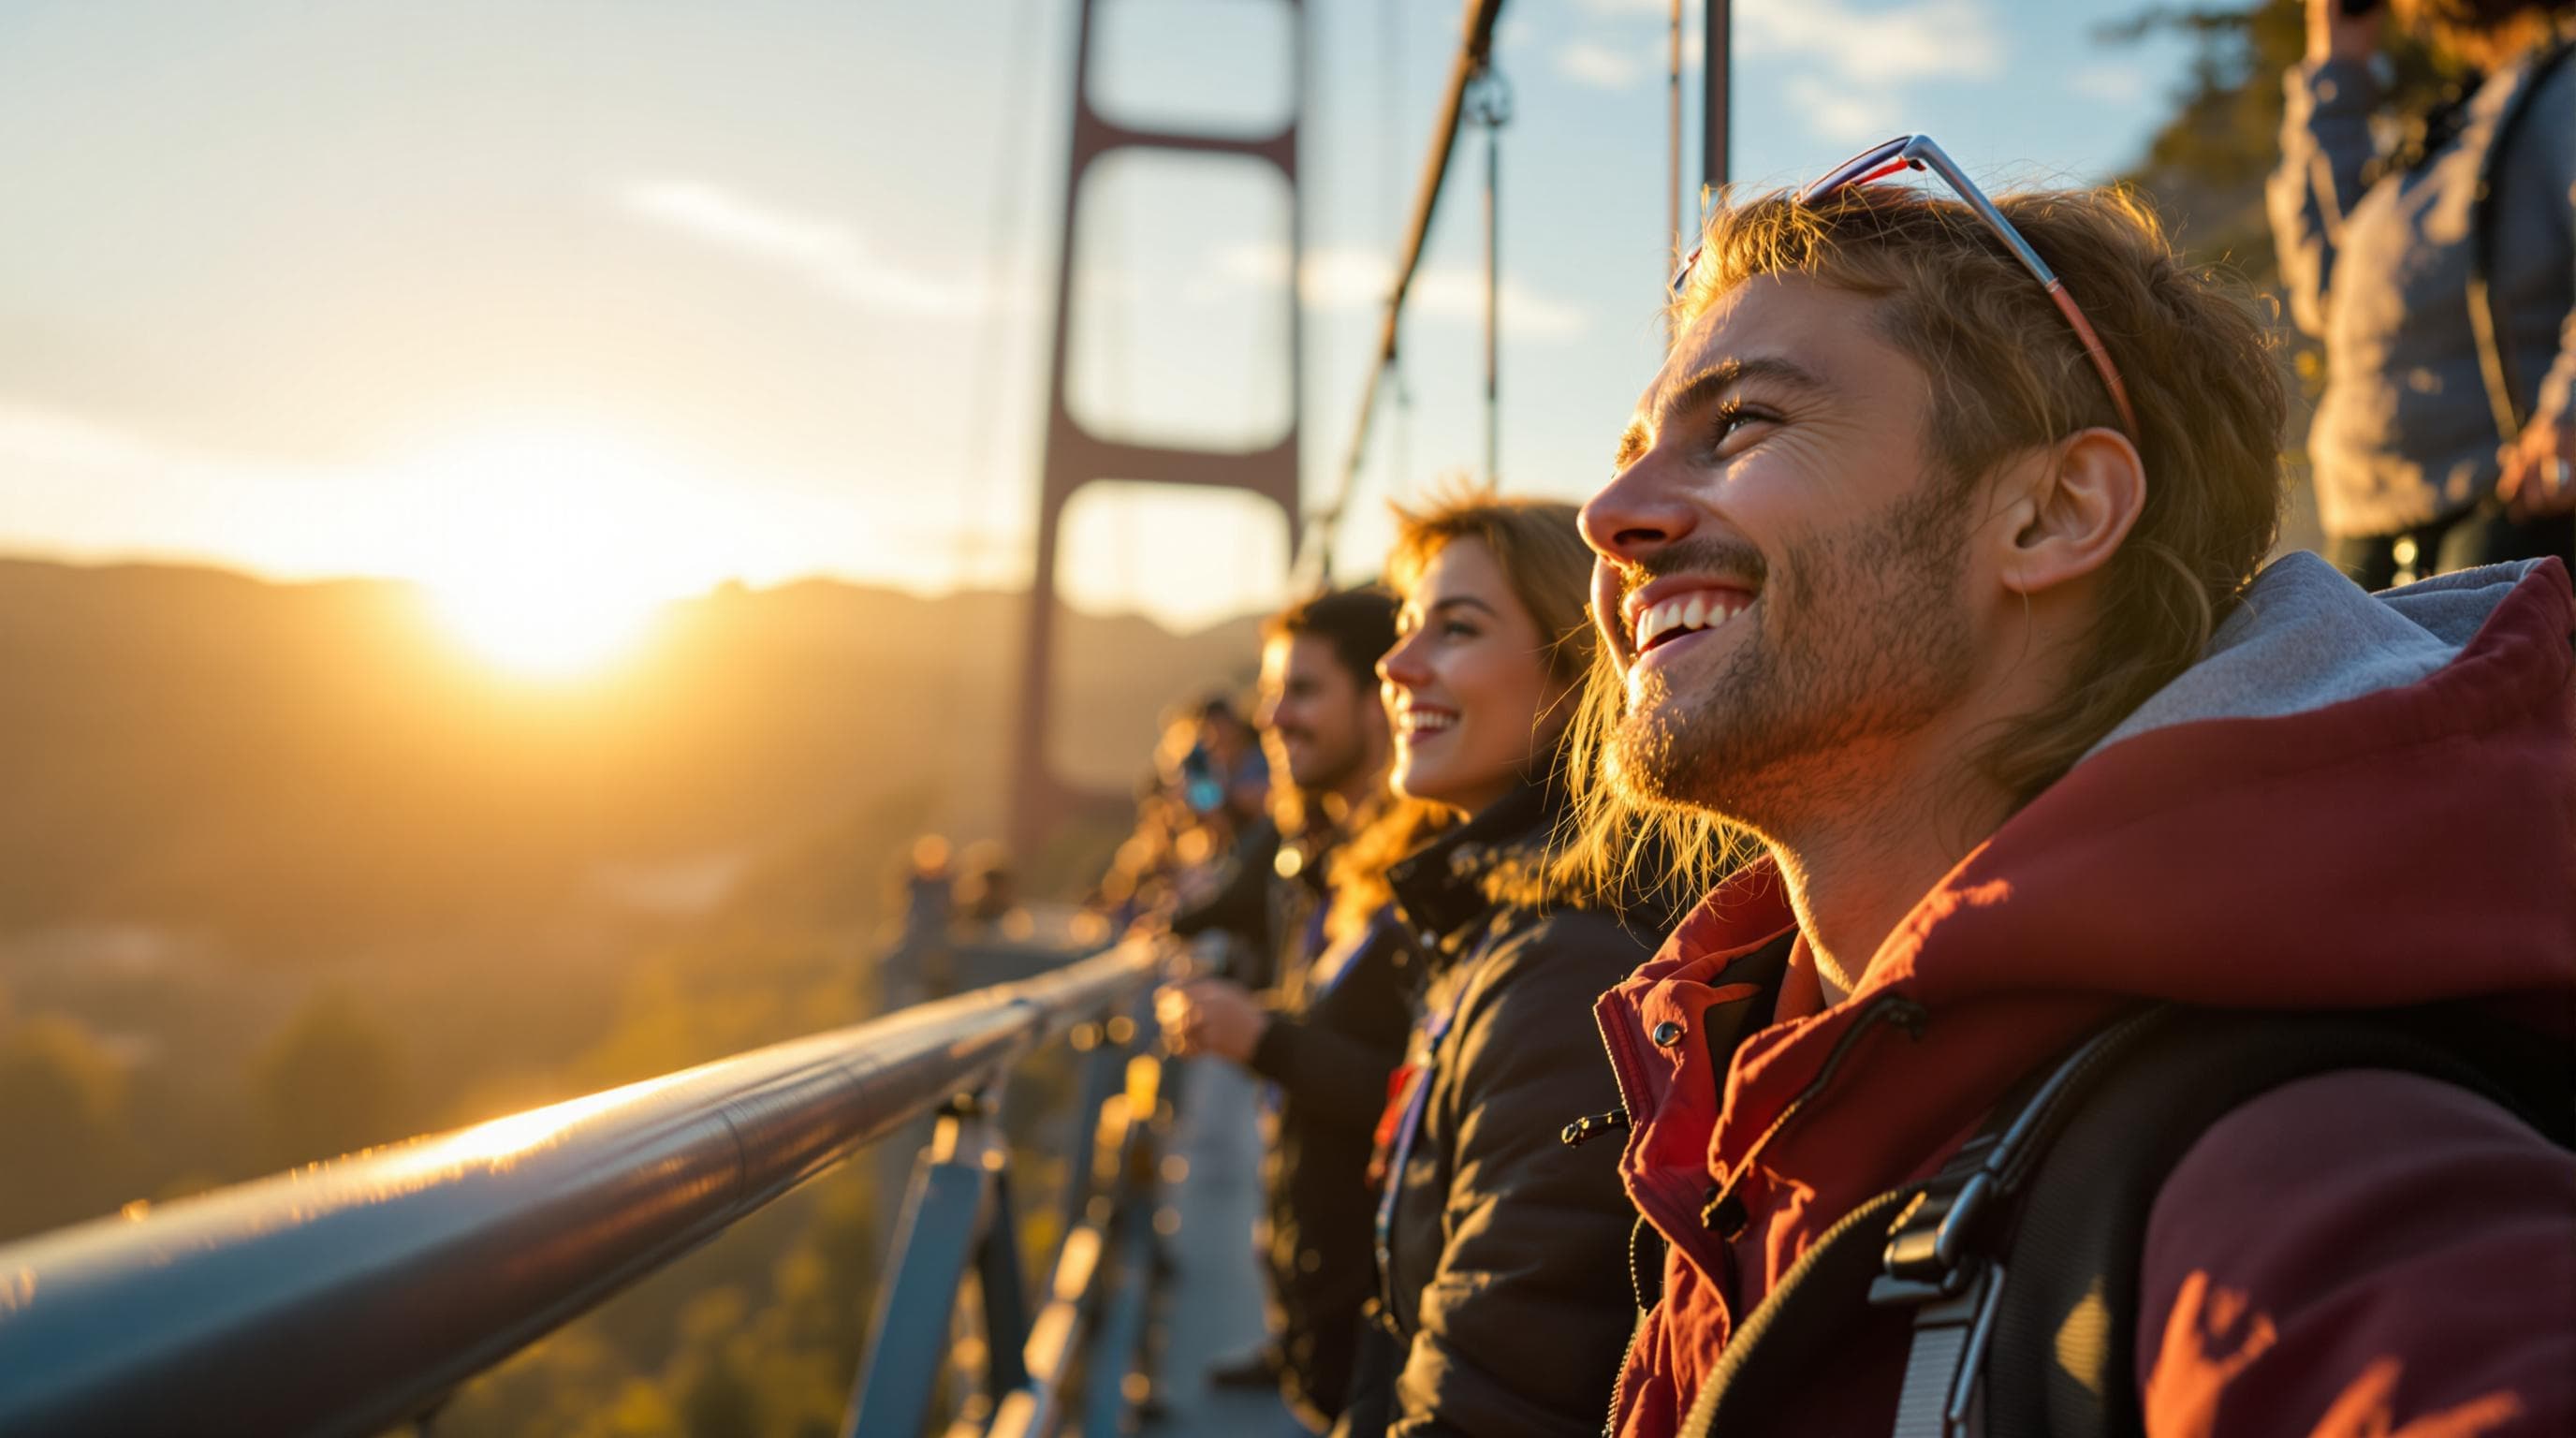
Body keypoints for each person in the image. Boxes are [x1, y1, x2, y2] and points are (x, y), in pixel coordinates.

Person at [1573, 148, 2574, 1436]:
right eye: (1631, 450)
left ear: (2053, 514)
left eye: (1745, 425)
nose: (1607, 513)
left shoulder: (2288, 1164)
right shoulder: (1744, 1094)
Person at [1333, 492, 1670, 1438]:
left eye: (1457, 629)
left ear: (1578, 673)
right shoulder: (1494, 928)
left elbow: (1494, 1398)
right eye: (1405, 629)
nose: (1395, 667)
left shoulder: (1570, 974)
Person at [1157, 588, 1415, 1431]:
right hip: (1328, 1323)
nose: (1273, 715)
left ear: (1384, 699)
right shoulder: (1324, 861)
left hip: (1390, 1348)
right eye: (1274, 692)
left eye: (1303, 690)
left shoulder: (1428, 886)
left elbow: (1432, 1104)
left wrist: (1262, 1036)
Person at [2270, 0, 2576, 586]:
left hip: (2507, 513)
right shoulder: (2453, 122)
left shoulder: (2559, 87)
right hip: (2363, 522)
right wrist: (2334, 69)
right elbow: (2326, 292)